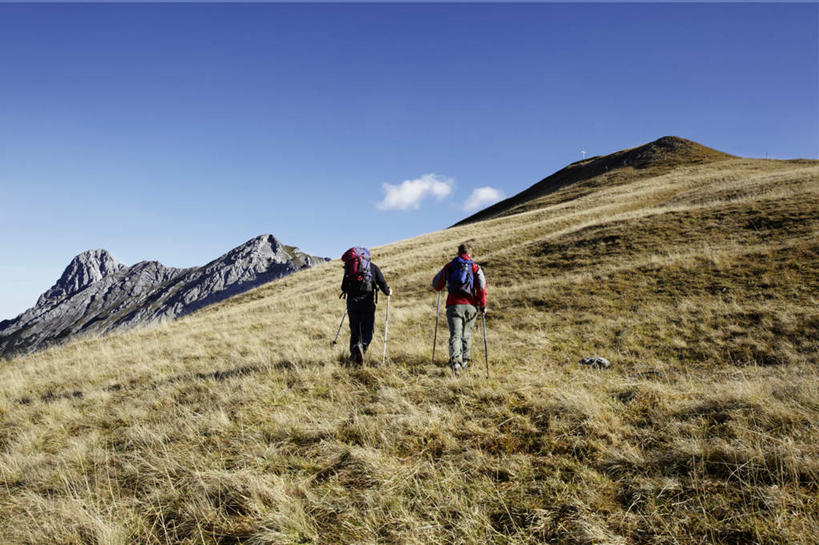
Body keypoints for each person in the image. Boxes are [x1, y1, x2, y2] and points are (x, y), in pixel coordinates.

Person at [432, 242, 487, 375]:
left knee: (455, 335)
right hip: (470, 306)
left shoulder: (450, 266)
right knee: (466, 334)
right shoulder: (475, 267)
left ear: (458, 253)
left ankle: (455, 362)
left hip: (454, 305)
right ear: (470, 253)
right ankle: (466, 361)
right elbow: (481, 288)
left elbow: (437, 285)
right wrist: (483, 305)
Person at [341, 248, 391, 364]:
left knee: (355, 330)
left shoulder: (349, 268)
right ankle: (362, 347)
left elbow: (343, 287)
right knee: (368, 328)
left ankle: (354, 355)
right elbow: (382, 283)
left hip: (352, 303)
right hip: (367, 302)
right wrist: (388, 292)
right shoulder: (372, 267)